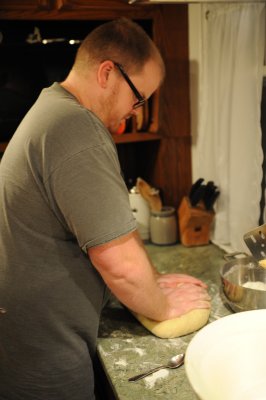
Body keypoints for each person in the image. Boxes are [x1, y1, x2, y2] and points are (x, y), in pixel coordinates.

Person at [0, 18, 210, 400]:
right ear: (107, 73)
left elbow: (105, 234)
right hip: (45, 356)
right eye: (138, 98)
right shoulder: (76, 129)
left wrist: (152, 280)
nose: (136, 111)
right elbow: (119, 264)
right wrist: (161, 305)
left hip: (26, 340)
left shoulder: (51, 110)